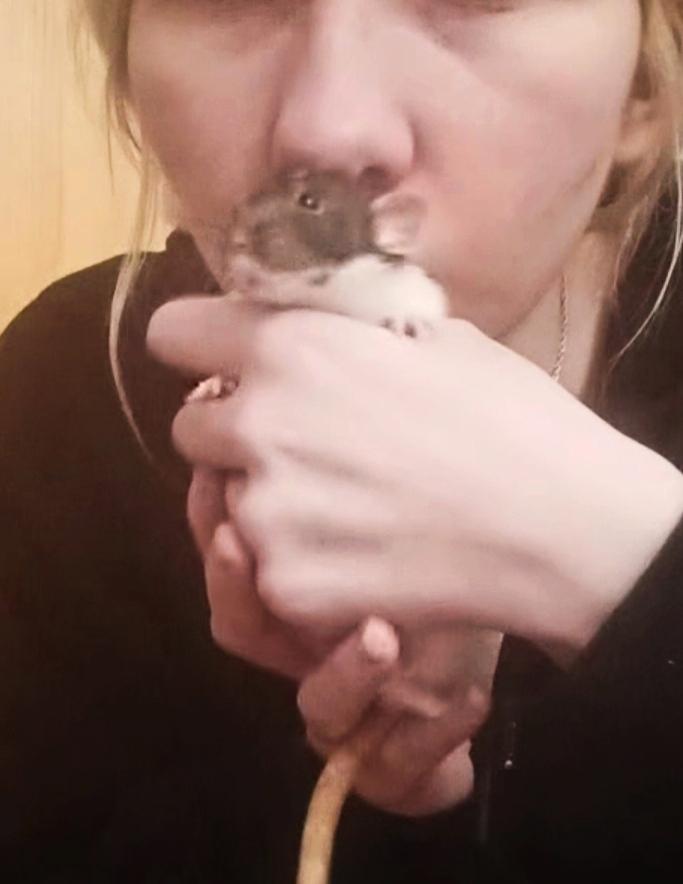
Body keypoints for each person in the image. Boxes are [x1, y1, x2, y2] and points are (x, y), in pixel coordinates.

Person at [2, 0, 683, 880]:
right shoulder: (51, 416)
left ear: (641, 91)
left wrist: (631, 575)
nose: (326, 129)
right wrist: (396, 816)